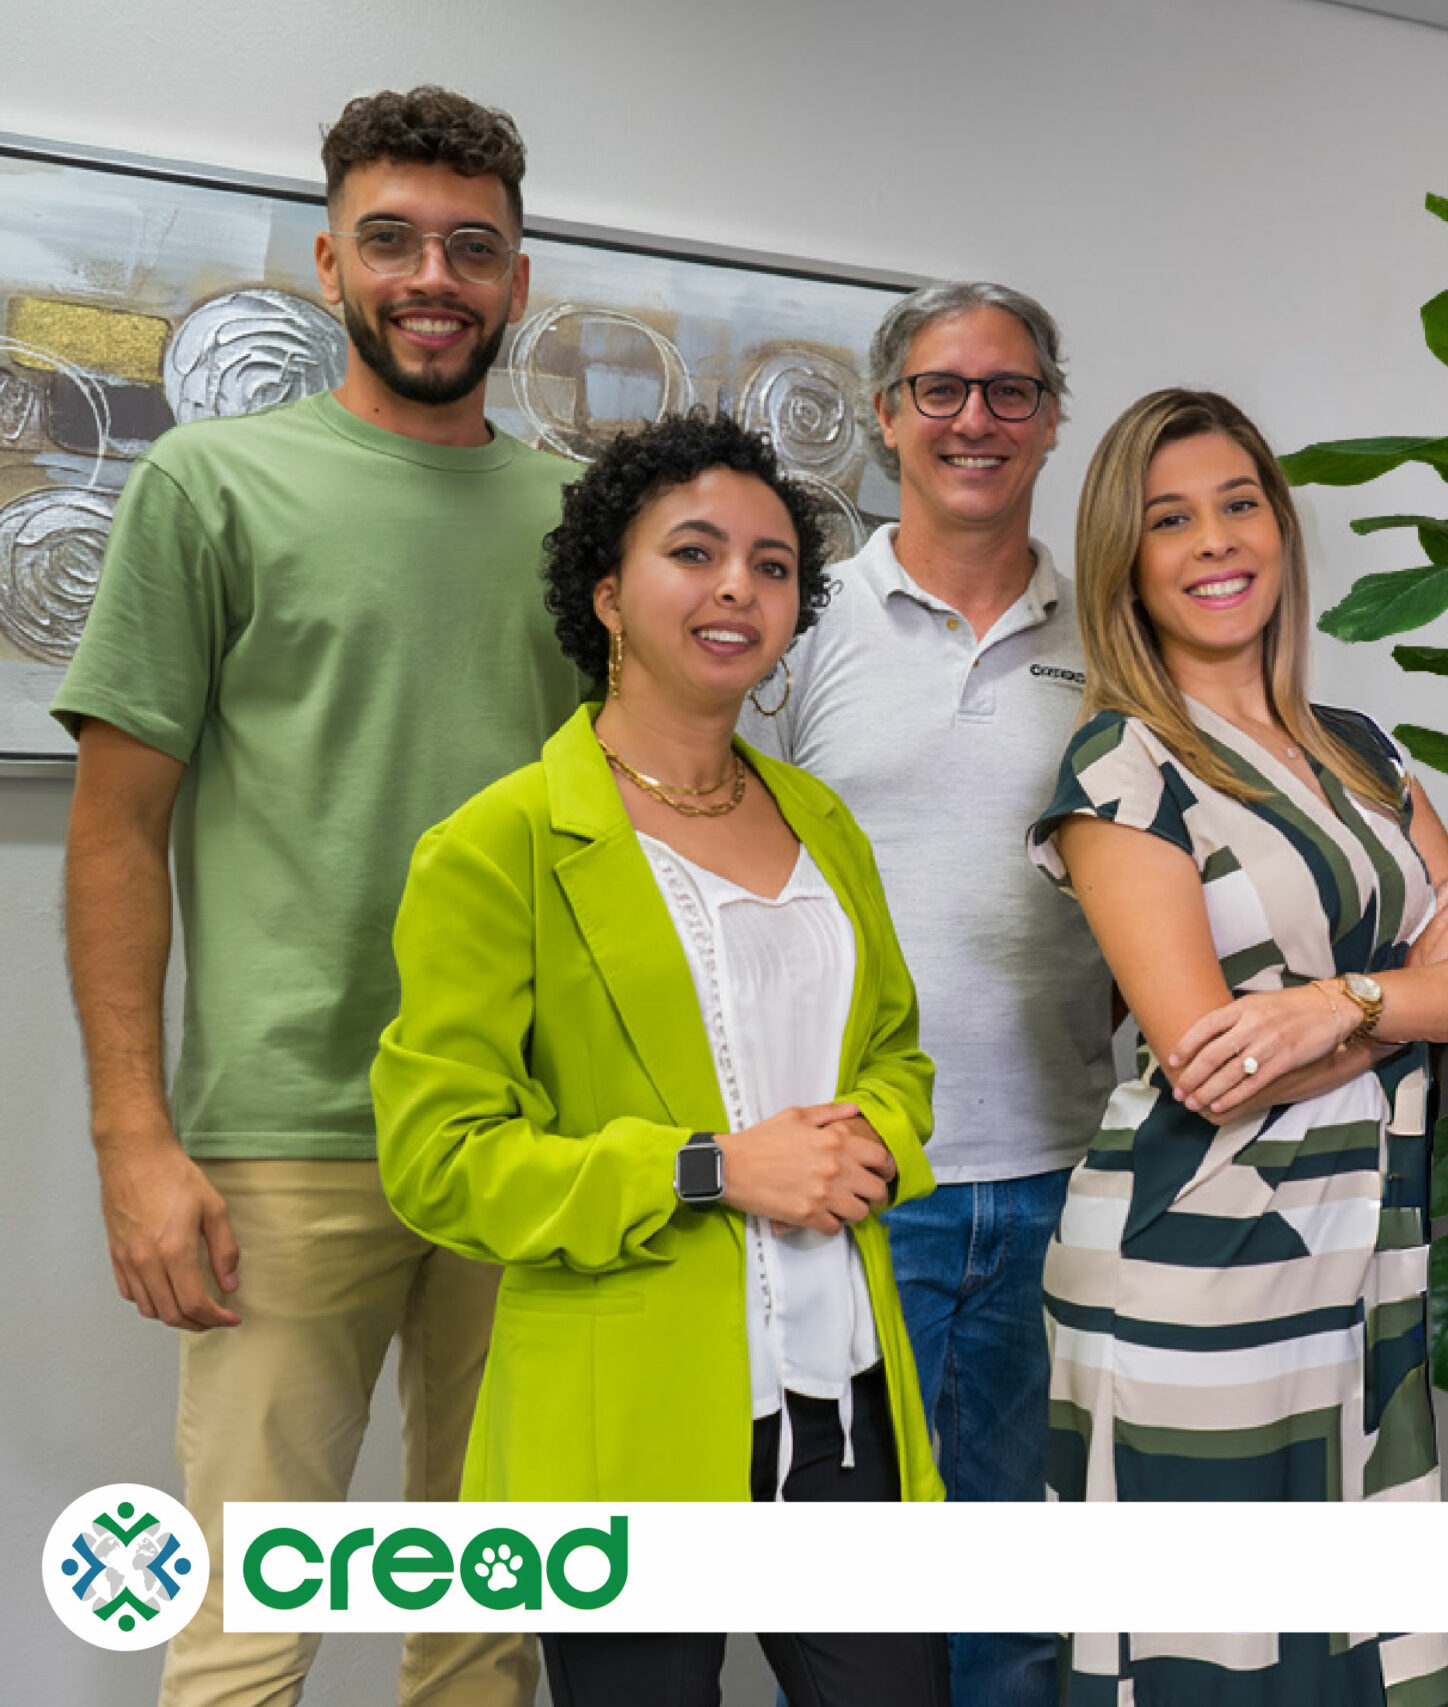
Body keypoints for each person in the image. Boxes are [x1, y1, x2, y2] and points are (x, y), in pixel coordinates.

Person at [54, 85, 569, 1707]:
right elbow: (116, 832)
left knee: (487, 1627)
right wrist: (133, 1137)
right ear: (333, 265)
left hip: (531, 1138)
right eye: (394, 241)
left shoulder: (586, 524)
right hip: (286, 1135)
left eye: (471, 248)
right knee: (242, 1634)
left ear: (517, 281)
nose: (434, 278)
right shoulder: (208, 486)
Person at [372, 412, 947, 1706]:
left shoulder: (822, 820)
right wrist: (710, 1167)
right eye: (694, 552)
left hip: (841, 1386)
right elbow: (442, 1161)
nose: (738, 586)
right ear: (606, 594)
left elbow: (897, 1053)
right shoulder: (502, 843)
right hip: (623, 1416)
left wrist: (869, 1135)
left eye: (772, 565)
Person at [1032, 389, 1448, 1705]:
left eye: (1238, 504)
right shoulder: (1121, 768)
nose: (1214, 541)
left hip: (1360, 1252)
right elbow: (1212, 1066)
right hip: (1197, 1257)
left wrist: (1332, 1006)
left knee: (1354, 1650)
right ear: (1125, 564)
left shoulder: (1365, 754)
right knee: (1212, 1658)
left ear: (1279, 527)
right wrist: (1408, 986)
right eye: (1169, 519)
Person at [740, 280, 1108, 1707]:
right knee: (853, 1604)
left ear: (1052, 419)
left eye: (1011, 391)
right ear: (886, 415)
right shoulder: (797, 615)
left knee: (1019, 1583)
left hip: (1062, 1172)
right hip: (855, 1173)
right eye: (941, 390)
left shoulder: (1114, 630)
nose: (976, 420)